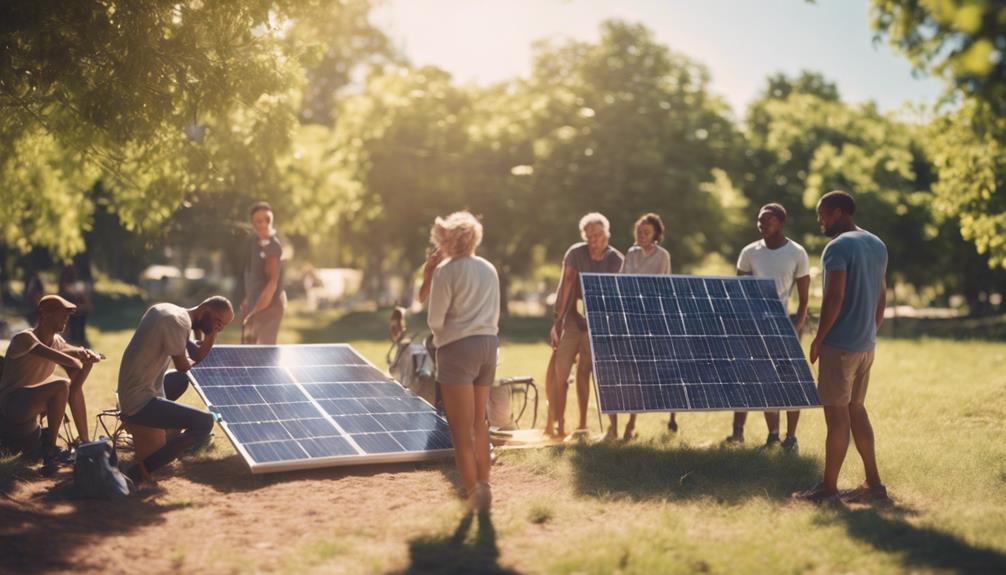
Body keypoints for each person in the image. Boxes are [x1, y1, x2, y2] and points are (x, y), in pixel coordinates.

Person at [794, 191, 889, 503]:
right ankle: (873, 485)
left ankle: (828, 488)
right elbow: (882, 295)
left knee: (836, 418)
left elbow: (834, 297)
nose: (820, 220)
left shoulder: (837, 247)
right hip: (865, 345)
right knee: (856, 410)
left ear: (837, 212)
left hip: (840, 346)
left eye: (822, 214)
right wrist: (871, 331)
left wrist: (820, 338)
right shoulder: (877, 244)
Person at [425, 211, 500, 512]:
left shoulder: (446, 271)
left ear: (448, 240)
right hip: (488, 346)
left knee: (459, 429)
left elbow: (435, 320)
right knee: (479, 422)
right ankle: (485, 483)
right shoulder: (489, 268)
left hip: (458, 349)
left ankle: (473, 493)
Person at [116, 296, 233, 485]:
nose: (219, 328)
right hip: (139, 402)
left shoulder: (173, 312)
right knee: (203, 422)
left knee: (179, 381)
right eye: (218, 322)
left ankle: (167, 435)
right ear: (205, 310)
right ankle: (141, 469)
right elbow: (183, 366)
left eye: (223, 326)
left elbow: (195, 353)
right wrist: (211, 336)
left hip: (133, 390)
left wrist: (212, 335)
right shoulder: (177, 322)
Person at [724, 203, 810, 452]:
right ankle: (772, 436)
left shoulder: (797, 253)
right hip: (756, 325)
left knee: (790, 381)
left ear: (780, 223)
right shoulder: (750, 252)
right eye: (760, 220)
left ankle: (790, 437)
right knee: (765, 381)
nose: (762, 225)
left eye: (768, 221)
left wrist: (798, 324)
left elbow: (804, 298)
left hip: (785, 325)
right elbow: (740, 292)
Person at [0, 295, 101, 473]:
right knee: (60, 384)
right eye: (62, 314)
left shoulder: (56, 342)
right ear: (44, 315)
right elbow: (62, 357)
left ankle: (85, 442)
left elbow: (73, 356)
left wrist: (86, 357)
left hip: (30, 425)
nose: (66, 319)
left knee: (68, 385)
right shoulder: (24, 339)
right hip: (11, 410)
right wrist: (79, 358)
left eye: (68, 316)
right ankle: (50, 450)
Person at [551, 213, 624, 440]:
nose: (595, 239)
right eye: (590, 235)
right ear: (584, 236)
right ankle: (560, 425)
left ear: (607, 234)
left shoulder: (616, 259)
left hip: (598, 321)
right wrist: (557, 321)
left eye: (599, 234)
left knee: (586, 370)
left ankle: (587, 426)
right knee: (560, 371)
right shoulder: (575, 253)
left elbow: (611, 295)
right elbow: (566, 285)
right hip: (573, 319)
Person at [606, 213, 674, 441]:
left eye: (646, 232)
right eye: (639, 232)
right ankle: (612, 428)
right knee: (617, 370)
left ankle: (631, 425)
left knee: (638, 373)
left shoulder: (663, 256)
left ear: (656, 234)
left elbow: (663, 289)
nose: (642, 236)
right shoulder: (631, 253)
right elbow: (622, 282)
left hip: (649, 320)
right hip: (627, 317)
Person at [241, 201, 286, 344]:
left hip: (270, 307)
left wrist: (254, 312)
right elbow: (253, 275)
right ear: (252, 223)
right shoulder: (254, 242)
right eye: (258, 221)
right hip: (254, 305)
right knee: (247, 349)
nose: (263, 224)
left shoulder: (274, 247)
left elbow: (272, 285)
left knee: (264, 353)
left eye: (267, 220)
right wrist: (248, 299)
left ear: (271, 221)